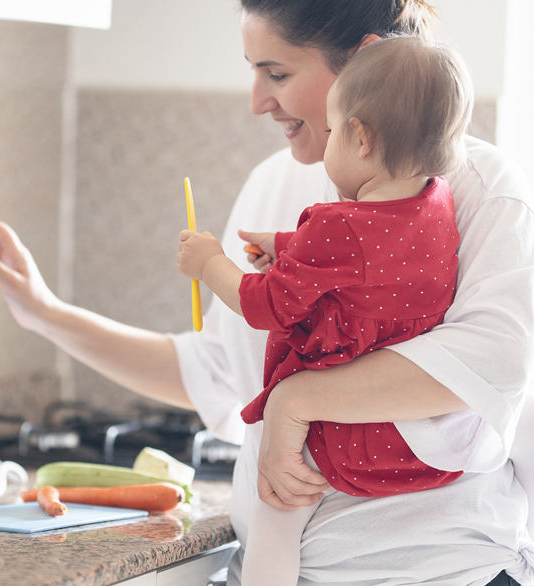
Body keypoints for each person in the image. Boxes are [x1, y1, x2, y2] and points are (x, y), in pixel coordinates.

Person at [0, 0, 534, 583]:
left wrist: (297, 400)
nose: (258, 101)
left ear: (363, 61)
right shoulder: (274, 184)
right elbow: (221, 373)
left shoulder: (479, 188)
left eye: (276, 72)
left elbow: (490, 362)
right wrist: (45, 313)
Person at [176, 36, 473, 585]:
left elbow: (261, 304)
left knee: (274, 512)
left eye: (334, 131)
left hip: (340, 436)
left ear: (360, 138)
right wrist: (290, 247)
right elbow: (374, 262)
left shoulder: (336, 224)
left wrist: (209, 262)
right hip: (419, 441)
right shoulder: (436, 202)